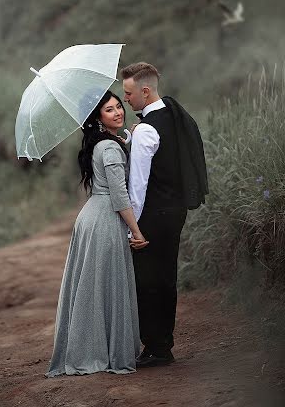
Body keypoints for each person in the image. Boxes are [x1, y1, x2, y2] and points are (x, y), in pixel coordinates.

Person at [46, 91, 148, 377]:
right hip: (105, 219)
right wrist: (136, 231)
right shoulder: (110, 148)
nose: (118, 112)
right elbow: (120, 196)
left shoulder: (101, 144)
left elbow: (117, 157)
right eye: (109, 110)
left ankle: (90, 348)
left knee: (93, 286)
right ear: (98, 118)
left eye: (119, 106)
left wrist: (132, 135)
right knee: (105, 284)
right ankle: (99, 352)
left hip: (91, 216)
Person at [121, 62, 208, 368]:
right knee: (166, 276)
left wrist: (134, 229)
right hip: (176, 210)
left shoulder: (146, 128)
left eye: (130, 93)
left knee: (147, 280)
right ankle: (162, 345)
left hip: (153, 214)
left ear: (145, 91)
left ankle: (156, 347)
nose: (126, 100)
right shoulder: (172, 113)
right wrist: (134, 138)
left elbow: (138, 186)